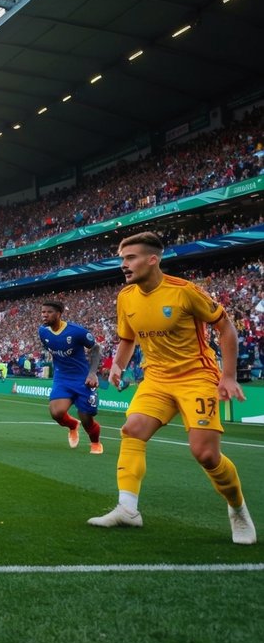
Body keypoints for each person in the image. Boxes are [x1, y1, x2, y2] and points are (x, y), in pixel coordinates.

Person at [88, 232, 254, 544]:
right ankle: (128, 509)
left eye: (131, 258)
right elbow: (127, 338)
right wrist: (118, 366)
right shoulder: (125, 297)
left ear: (154, 259)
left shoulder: (185, 291)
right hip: (156, 378)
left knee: (205, 454)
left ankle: (238, 509)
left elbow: (225, 326)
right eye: (122, 259)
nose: (124, 265)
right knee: (132, 429)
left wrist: (228, 376)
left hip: (196, 377)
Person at [38, 300, 103, 454]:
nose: (44, 315)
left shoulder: (76, 331)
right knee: (56, 413)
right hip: (62, 378)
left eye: (49, 312)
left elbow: (95, 348)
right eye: (43, 312)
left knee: (87, 419)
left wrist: (92, 373)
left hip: (82, 379)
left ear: (59, 314)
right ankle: (73, 425)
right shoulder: (43, 332)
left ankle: (95, 442)